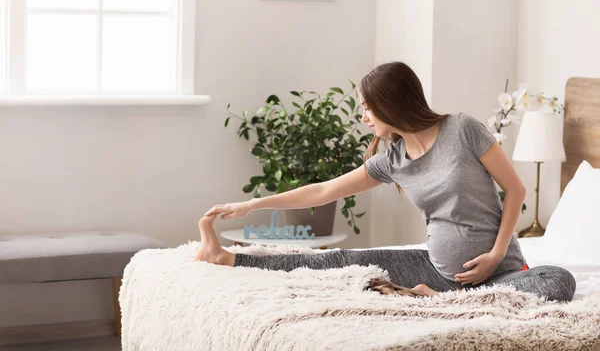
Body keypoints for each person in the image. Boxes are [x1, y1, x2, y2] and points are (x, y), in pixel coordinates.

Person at [195, 61, 576, 302]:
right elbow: (324, 191)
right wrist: (251, 205)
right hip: (436, 272)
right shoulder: (391, 160)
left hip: (503, 272)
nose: (363, 116)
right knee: (342, 261)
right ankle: (227, 257)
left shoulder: (463, 129)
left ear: (392, 102)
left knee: (557, 281)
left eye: (367, 106)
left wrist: (494, 256)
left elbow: (516, 190)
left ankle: (439, 303)